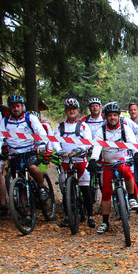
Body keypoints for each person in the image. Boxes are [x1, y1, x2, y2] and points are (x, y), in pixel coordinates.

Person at [88, 102, 138, 234]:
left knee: (126, 171)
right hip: (107, 162)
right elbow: (97, 145)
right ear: (106, 117)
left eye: (115, 115)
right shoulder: (101, 130)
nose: (112, 118)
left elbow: (133, 141)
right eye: (110, 115)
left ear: (119, 116)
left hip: (122, 159)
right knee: (106, 192)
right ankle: (105, 222)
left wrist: (136, 153)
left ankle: (131, 198)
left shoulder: (125, 128)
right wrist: (94, 159)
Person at [0, 94, 50, 224]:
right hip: (14, 153)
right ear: (9, 108)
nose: (16, 109)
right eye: (13, 107)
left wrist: (42, 144)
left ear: (22, 106)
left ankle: (41, 186)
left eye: (18, 106)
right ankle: (27, 213)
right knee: (20, 184)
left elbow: (40, 132)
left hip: (29, 150)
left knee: (33, 168)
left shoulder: (30, 118)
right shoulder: (4, 121)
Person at [51, 98, 95, 229]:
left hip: (80, 159)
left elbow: (88, 141)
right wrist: (59, 151)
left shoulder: (83, 125)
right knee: (66, 190)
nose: (72, 111)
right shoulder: (60, 126)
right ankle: (67, 216)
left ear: (77, 110)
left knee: (85, 187)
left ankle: (90, 216)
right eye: (69, 109)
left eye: (74, 109)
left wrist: (79, 149)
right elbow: (54, 141)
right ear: (66, 111)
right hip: (66, 160)